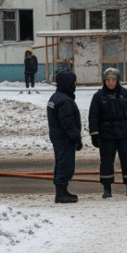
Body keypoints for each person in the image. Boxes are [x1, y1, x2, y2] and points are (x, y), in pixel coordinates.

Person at [88, 67, 127, 199]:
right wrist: (94, 134)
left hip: (125, 133)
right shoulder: (98, 96)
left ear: (117, 80)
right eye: (108, 80)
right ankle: (107, 188)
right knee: (106, 161)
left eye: (113, 80)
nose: (111, 82)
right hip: (106, 134)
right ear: (104, 81)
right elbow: (93, 117)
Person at [46, 70, 83, 204]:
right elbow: (68, 123)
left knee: (61, 162)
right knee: (65, 164)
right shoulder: (64, 100)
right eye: (73, 83)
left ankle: (62, 190)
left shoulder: (55, 97)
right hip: (65, 138)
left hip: (58, 137)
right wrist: (76, 138)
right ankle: (61, 193)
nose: (74, 85)